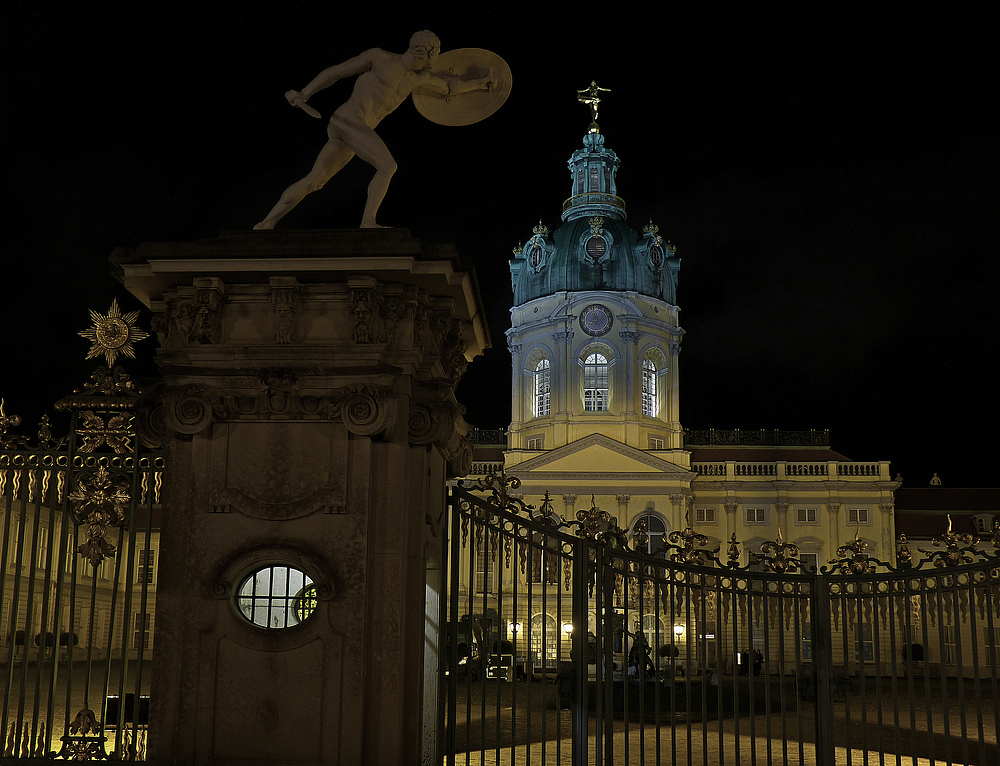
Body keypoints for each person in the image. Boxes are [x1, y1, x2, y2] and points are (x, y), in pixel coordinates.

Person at [255, 31, 495, 230]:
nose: (440, 57)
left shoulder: (419, 78)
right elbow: (337, 72)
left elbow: (450, 87)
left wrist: (481, 83)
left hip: (352, 131)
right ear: (431, 52)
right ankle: (368, 222)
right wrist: (305, 93)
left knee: (314, 181)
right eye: (438, 52)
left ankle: (266, 223)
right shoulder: (380, 58)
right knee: (388, 165)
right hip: (349, 118)